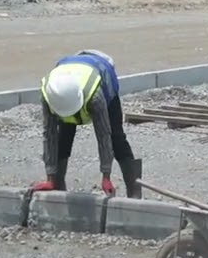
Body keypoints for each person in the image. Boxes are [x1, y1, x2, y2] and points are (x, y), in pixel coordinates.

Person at [31, 50, 143, 198]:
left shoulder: (95, 95)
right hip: (71, 75)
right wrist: (50, 177)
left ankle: (134, 191)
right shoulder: (50, 94)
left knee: (116, 138)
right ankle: (57, 186)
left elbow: (104, 135)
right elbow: (49, 134)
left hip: (102, 75)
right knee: (62, 137)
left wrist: (106, 176)